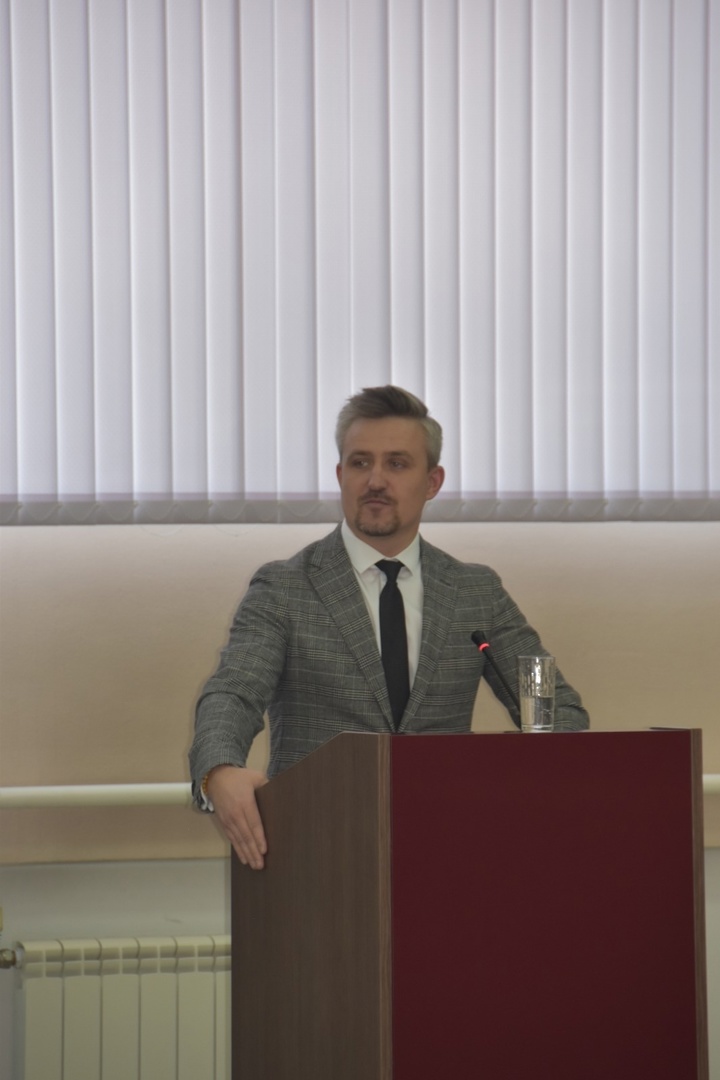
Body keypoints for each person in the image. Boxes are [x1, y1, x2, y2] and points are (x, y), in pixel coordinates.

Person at [189, 385, 589, 869]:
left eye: (397, 464)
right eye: (360, 463)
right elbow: (233, 692)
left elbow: (553, 706)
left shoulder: (475, 592)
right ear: (340, 475)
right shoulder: (285, 587)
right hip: (316, 853)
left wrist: (531, 770)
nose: (375, 480)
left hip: (449, 851)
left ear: (433, 481)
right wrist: (219, 770)